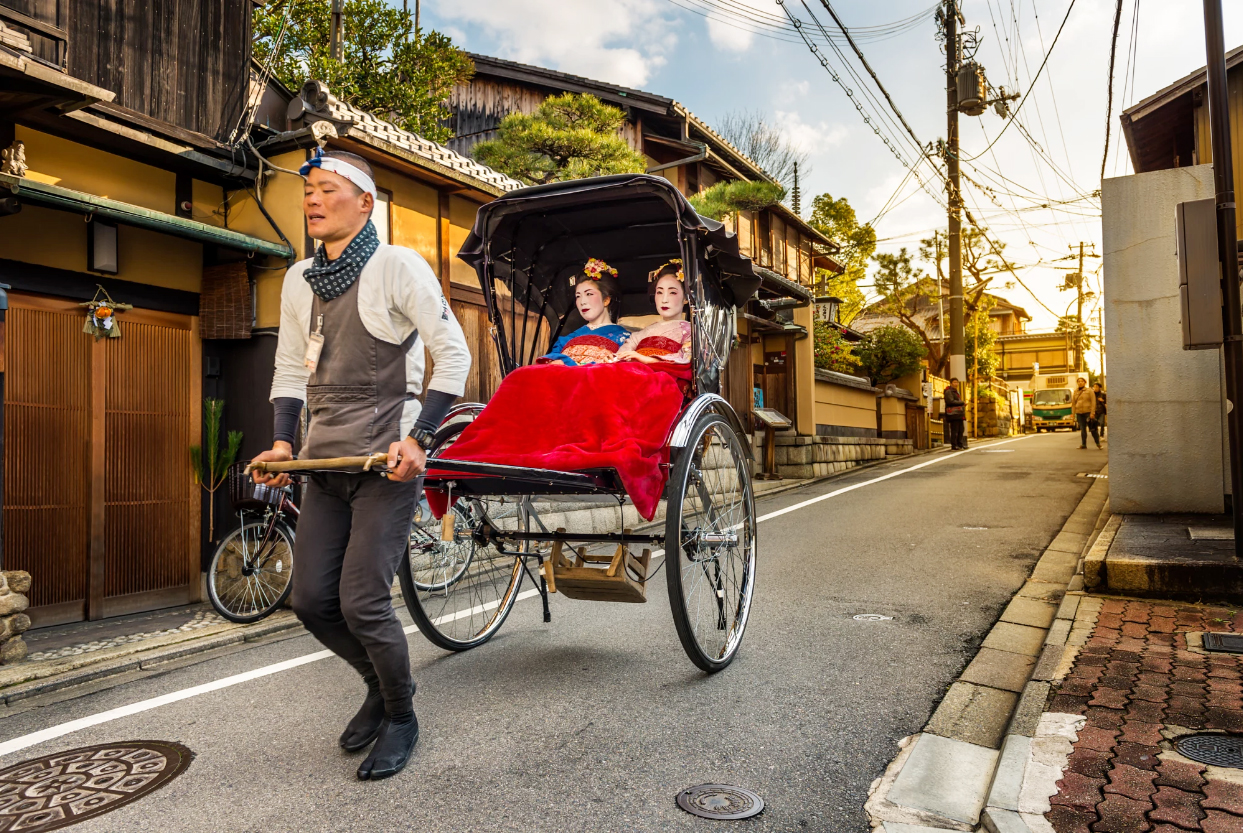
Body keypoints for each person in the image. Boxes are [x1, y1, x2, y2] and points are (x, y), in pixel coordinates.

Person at [250, 148, 472, 781]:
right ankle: (379, 685)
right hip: (324, 458)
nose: (312, 199)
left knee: (363, 602)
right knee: (311, 600)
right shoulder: (299, 279)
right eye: (308, 190)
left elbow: (453, 354)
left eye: (327, 189)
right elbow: (290, 368)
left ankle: (401, 714)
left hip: (387, 457)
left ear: (365, 203)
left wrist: (420, 438)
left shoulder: (396, 265)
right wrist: (284, 445)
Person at [536, 258, 630, 365]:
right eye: (578, 296)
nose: (582, 302)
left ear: (606, 300)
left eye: (589, 294)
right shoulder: (566, 339)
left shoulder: (625, 339)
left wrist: (569, 363)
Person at [613, 260, 692, 364]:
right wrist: (614, 358)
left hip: (663, 372)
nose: (664, 300)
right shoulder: (644, 332)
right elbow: (625, 351)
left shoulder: (690, 331)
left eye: (672, 292)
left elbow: (685, 358)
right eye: (659, 292)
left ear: (686, 298)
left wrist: (648, 360)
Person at [1072, 376, 1099, 449]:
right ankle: (1083, 444)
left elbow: (1093, 402)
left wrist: (1092, 412)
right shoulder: (1075, 391)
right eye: (1079, 381)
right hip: (1079, 412)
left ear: (1085, 382)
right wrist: (1073, 414)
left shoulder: (1089, 391)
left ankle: (1098, 443)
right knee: (1082, 429)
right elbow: (1073, 404)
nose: (1080, 382)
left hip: (1088, 412)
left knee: (1092, 428)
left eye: (1082, 381)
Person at [944, 378, 967, 450]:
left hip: (958, 413)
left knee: (961, 429)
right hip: (953, 414)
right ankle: (954, 445)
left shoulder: (956, 391)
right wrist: (961, 402)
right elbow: (950, 401)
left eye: (957, 382)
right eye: (954, 382)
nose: (956, 384)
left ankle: (960, 444)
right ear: (951, 383)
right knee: (955, 430)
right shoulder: (948, 391)